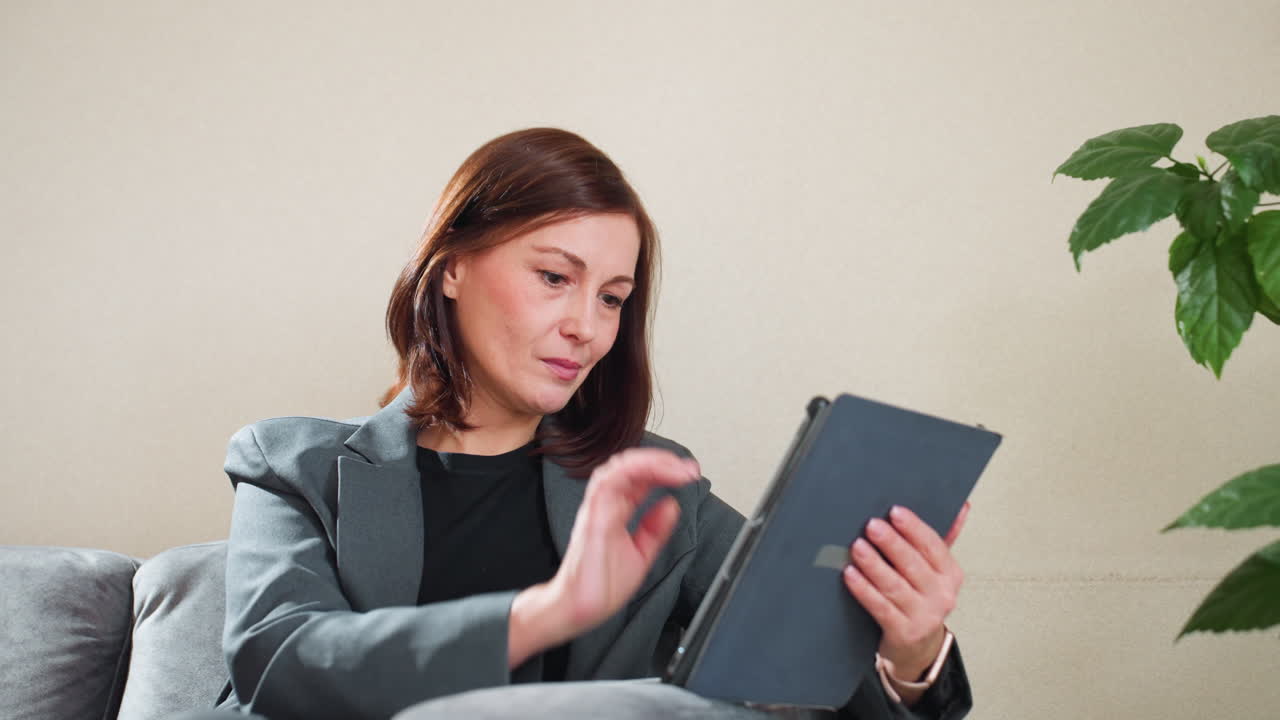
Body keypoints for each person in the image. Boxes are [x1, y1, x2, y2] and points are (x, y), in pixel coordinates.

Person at [194, 128, 973, 720]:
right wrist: (550, 612)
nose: (587, 327)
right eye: (555, 277)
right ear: (452, 268)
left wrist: (911, 650)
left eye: (611, 297)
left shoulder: (655, 487)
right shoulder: (293, 462)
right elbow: (281, 664)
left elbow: (807, 692)